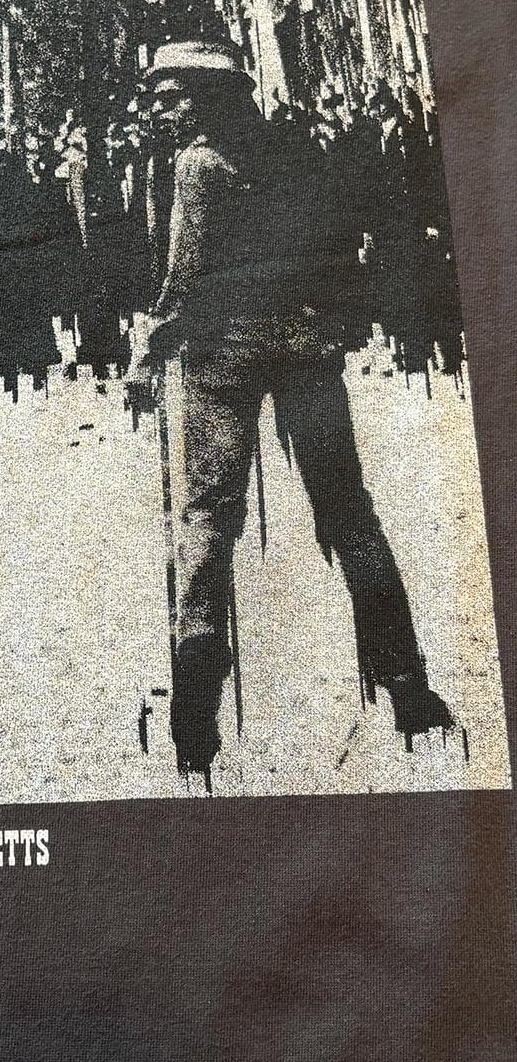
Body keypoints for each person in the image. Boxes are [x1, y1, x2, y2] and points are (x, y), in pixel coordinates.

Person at [124, 38, 454, 779]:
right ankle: (407, 683)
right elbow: (334, 242)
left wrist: (150, 350)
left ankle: (194, 712)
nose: (160, 111)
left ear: (203, 97)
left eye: (170, 97)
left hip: (223, 356)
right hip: (305, 347)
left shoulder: (197, 165)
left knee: (207, 518)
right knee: (348, 511)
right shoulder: (290, 151)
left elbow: (184, 276)